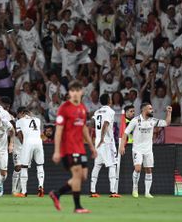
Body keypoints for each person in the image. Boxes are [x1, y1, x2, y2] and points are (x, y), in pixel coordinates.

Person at [49, 80, 97, 214]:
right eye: (72, 91)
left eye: (78, 90)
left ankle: (57, 193)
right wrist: (57, 151)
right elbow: (58, 131)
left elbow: (84, 129)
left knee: (83, 177)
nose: (75, 93)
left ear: (82, 92)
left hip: (80, 148)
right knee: (76, 175)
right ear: (69, 93)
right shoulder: (64, 108)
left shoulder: (82, 108)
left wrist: (92, 147)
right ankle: (78, 207)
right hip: (68, 148)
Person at [119, 103, 172, 199]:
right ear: (144, 110)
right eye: (150, 109)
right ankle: (135, 188)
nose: (152, 110)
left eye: (152, 108)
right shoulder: (135, 120)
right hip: (137, 149)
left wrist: (169, 112)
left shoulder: (153, 120)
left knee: (149, 170)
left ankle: (147, 192)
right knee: (138, 168)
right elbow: (125, 133)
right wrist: (122, 146)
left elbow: (166, 123)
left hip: (148, 150)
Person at [90, 94, 120, 198]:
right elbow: (105, 124)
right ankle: (113, 191)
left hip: (97, 141)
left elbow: (92, 124)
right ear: (109, 100)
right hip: (106, 141)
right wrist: (103, 138)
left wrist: (94, 138)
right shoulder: (110, 111)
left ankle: (93, 191)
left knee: (97, 165)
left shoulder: (97, 112)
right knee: (112, 165)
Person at [14, 108, 45, 197]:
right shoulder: (37, 120)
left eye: (19, 114)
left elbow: (20, 135)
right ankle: (41, 186)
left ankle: (24, 192)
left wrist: (23, 145)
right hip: (39, 142)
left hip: (28, 142)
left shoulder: (19, 121)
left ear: (22, 113)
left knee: (24, 167)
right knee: (40, 165)